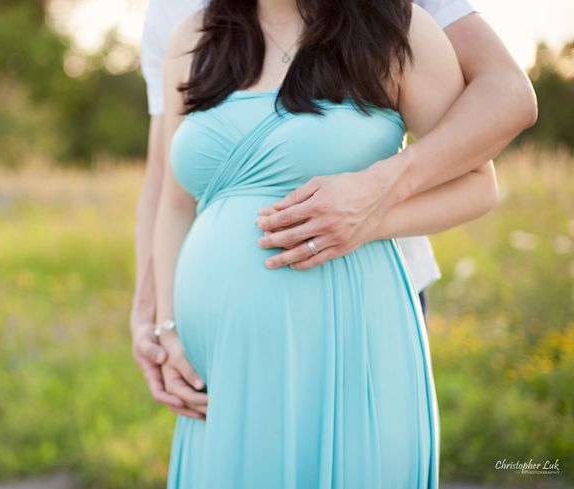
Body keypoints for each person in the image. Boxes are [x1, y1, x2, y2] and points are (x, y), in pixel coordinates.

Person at [148, 0, 507, 485]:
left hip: (350, 340)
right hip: (224, 370)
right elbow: (174, 205)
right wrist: (166, 327)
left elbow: (479, 184)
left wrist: (369, 218)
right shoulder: (192, 37)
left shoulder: (396, 26)